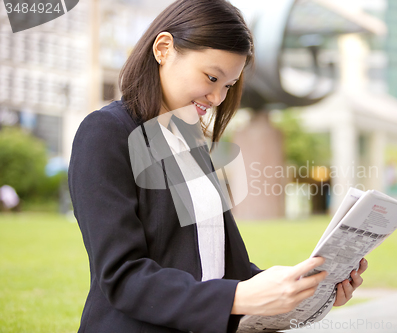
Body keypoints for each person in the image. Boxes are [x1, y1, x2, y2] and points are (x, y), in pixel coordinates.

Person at [68, 1, 368, 332]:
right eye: (212, 77)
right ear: (164, 49)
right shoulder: (106, 132)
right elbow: (123, 276)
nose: (217, 98)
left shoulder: (189, 143)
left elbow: (222, 269)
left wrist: (306, 290)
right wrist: (238, 297)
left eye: (228, 85)